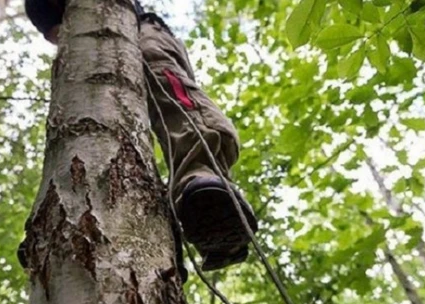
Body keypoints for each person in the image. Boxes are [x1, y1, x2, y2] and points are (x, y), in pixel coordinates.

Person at [23, 0, 258, 280]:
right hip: (96, 43)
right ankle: (178, 215)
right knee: (90, 115)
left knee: (167, 88)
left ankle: (202, 183)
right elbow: (47, 22)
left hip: (140, 31)